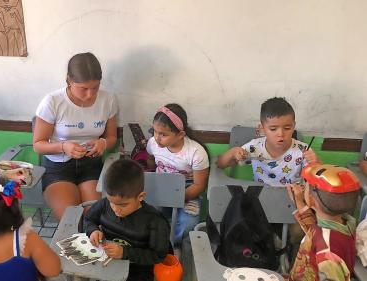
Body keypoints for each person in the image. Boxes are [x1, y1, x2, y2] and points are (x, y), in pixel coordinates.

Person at [33, 52, 118, 219]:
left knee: (94, 218)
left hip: (91, 165)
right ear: (69, 80)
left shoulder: (108, 99)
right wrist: (64, 147)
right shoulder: (53, 102)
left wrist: (103, 144)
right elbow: (38, 145)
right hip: (58, 168)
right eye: (83, 88)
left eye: (95, 87)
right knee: (71, 220)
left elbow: (112, 138)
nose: (90, 94)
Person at [84, 159, 170, 281]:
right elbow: (89, 219)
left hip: (137, 272)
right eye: (111, 202)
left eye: (123, 205)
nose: (115, 209)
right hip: (106, 264)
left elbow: (158, 255)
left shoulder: (155, 221)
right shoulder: (104, 204)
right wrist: (92, 230)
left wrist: (125, 253)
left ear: (140, 197)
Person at [217, 97, 319, 185]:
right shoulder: (254, 148)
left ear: (294, 126)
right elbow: (220, 164)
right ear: (262, 129)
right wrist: (233, 152)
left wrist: (316, 163)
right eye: (273, 129)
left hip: (293, 200)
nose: (281, 134)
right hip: (261, 199)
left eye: (287, 128)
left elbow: (320, 179)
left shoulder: (303, 150)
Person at [146, 103, 209, 245]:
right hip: (160, 185)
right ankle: (157, 241)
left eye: (163, 134)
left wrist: (177, 197)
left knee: (187, 225)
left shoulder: (196, 153)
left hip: (187, 190)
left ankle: (172, 245)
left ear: (180, 134)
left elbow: (199, 185)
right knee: (146, 216)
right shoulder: (153, 143)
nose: (157, 138)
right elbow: (150, 160)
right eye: (155, 131)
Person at [286, 164, 360, 281]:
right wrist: (299, 200)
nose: (303, 188)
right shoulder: (347, 222)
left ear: (310, 199)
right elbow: (314, 231)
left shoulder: (328, 253)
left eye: (305, 187)